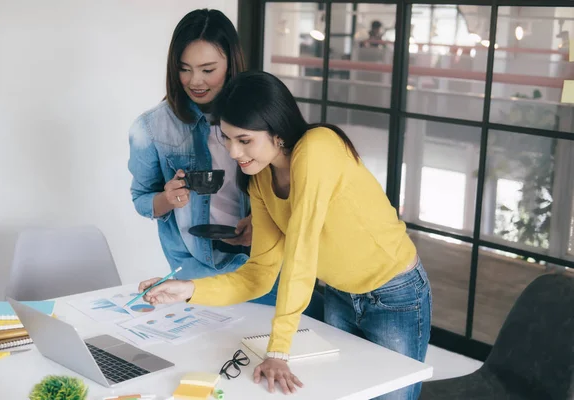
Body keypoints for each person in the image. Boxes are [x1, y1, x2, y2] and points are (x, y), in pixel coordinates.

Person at [137, 71, 432, 400]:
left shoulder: (318, 148)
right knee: (343, 392)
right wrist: (187, 290)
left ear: (277, 132)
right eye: (228, 138)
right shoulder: (261, 179)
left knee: (390, 396)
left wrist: (278, 352)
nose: (234, 152)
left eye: (245, 140)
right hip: (340, 294)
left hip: (394, 293)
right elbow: (258, 275)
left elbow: (302, 251)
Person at [128, 10, 323, 317]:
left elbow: (293, 188)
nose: (196, 81)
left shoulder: (260, 115)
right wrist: (167, 198)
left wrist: (261, 226)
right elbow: (141, 199)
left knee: (270, 353)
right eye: (185, 69)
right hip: (199, 271)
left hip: (265, 264)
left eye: (208, 69)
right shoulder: (151, 128)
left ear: (231, 64)